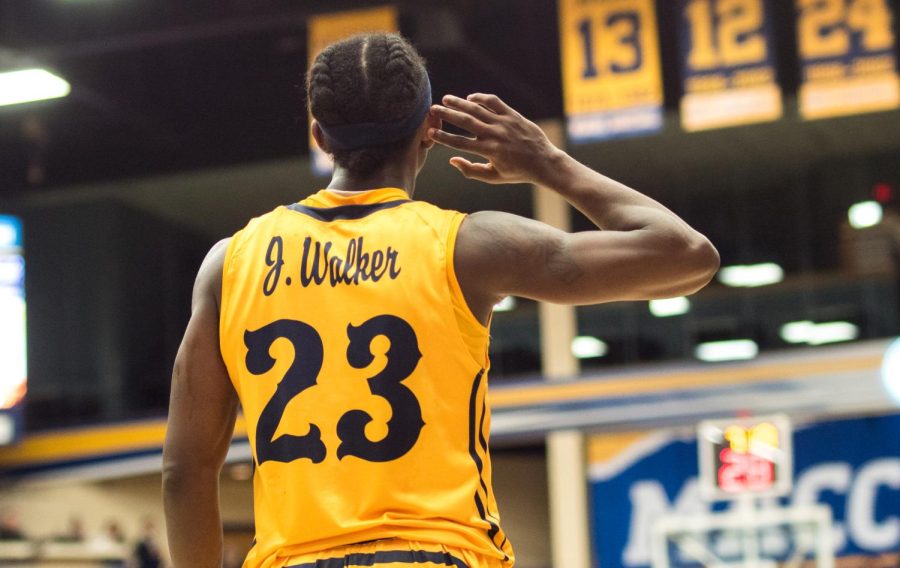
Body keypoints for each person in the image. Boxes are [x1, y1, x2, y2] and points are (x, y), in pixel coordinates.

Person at [162, 32, 719, 568]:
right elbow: (688, 255)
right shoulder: (467, 248)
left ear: (319, 136)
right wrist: (547, 162)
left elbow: (185, 471)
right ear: (431, 128)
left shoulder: (228, 263)